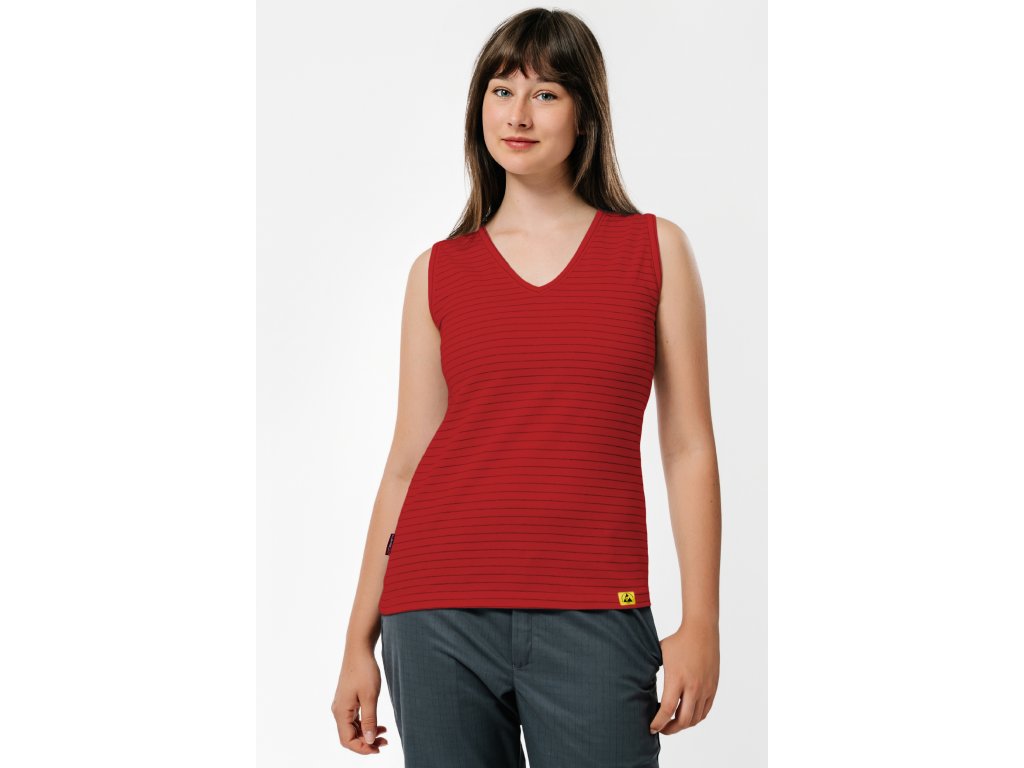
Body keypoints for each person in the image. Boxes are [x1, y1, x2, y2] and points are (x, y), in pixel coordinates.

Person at [332, 8, 720, 766]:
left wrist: (701, 621)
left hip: (596, 609)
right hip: (435, 609)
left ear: (586, 112)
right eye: (501, 90)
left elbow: (687, 447)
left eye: (545, 93)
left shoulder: (653, 250)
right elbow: (407, 463)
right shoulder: (438, 270)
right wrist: (357, 642)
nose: (517, 114)